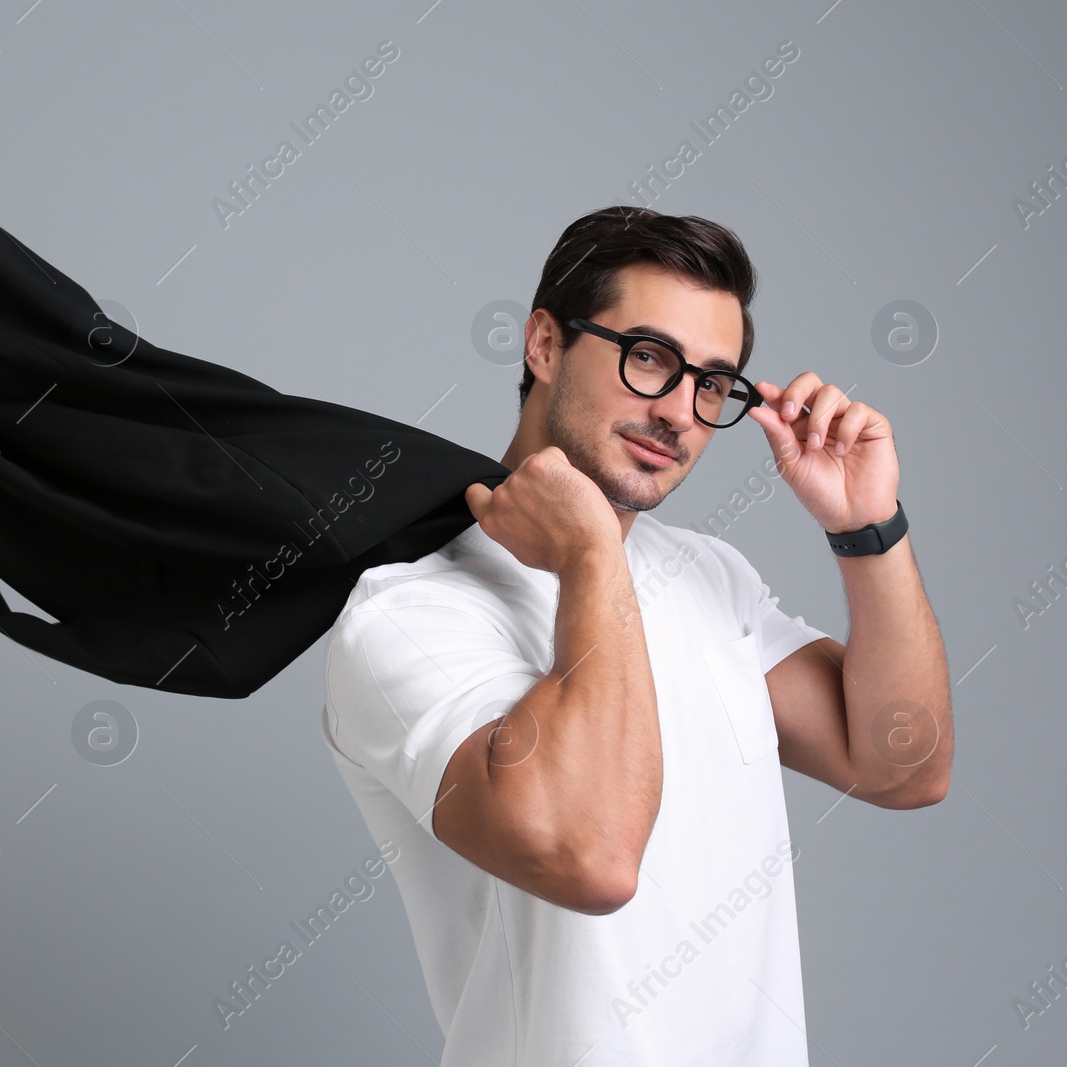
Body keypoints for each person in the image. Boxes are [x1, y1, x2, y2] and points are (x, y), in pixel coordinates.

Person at [320, 207, 953, 1066]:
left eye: (713, 383)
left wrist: (868, 527)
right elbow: (594, 858)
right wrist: (589, 555)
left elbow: (904, 766)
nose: (681, 414)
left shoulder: (710, 575)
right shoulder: (411, 613)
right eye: (648, 357)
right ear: (545, 344)